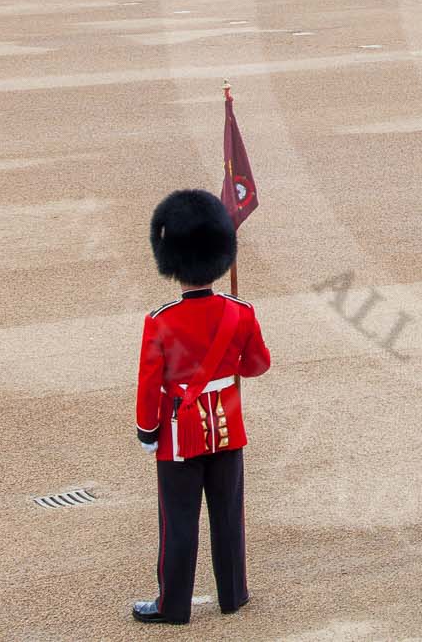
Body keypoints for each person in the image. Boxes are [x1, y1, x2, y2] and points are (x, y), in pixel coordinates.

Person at [133, 190, 271, 625]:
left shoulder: (161, 320)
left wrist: (147, 430)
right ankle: (233, 593)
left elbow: (149, 384)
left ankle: (172, 605)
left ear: (173, 261)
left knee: (179, 522)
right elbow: (258, 365)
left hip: (179, 435)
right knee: (228, 514)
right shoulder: (240, 313)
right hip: (228, 427)